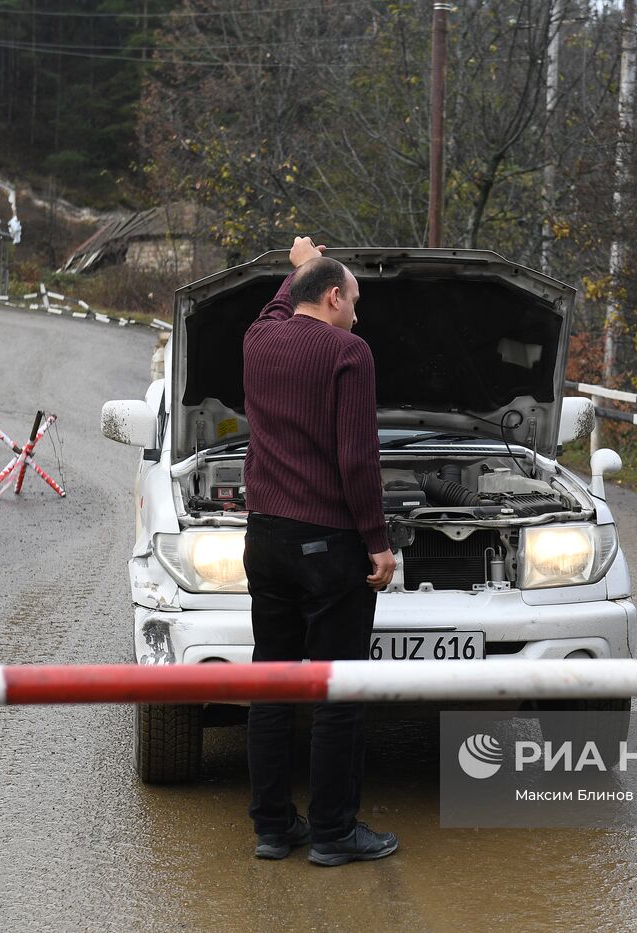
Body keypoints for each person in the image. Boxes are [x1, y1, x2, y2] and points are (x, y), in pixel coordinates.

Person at [241, 235, 398, 866]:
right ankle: (334, 833)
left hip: (265, 540)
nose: (358, 315)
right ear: (334, 298)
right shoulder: (348, 352)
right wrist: (379, 544)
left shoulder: (259, 339)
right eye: (354, 301)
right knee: (337, 687)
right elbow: (358, 460)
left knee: (272, 683)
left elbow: (280, 306)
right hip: (328, 542)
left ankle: (274, 828)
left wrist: (299, 263)